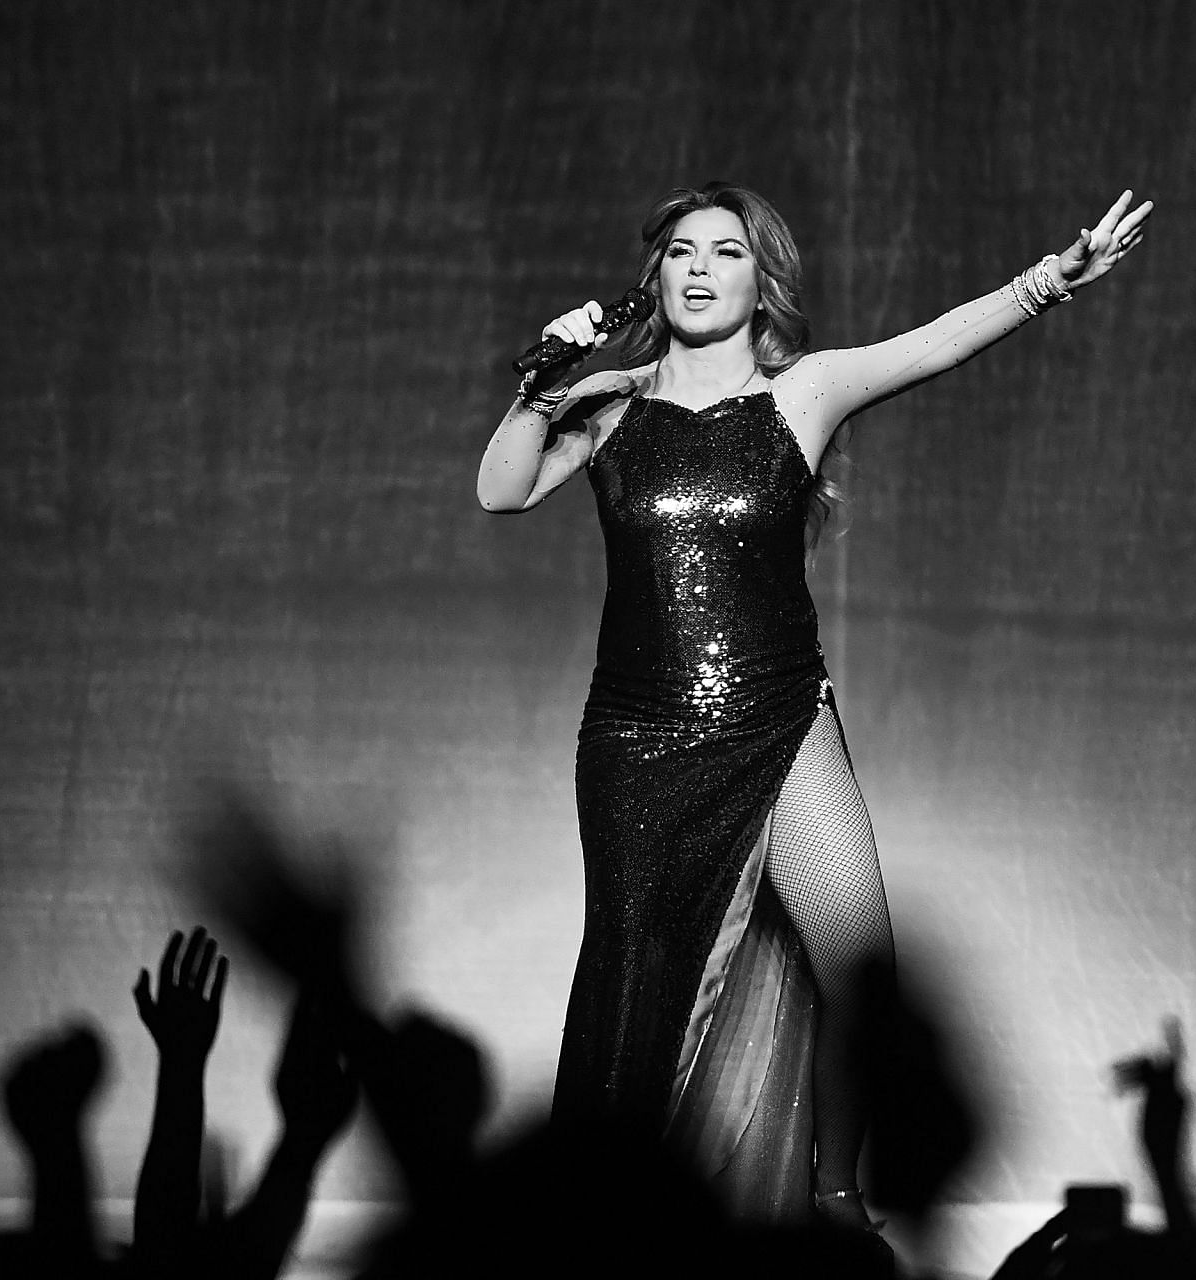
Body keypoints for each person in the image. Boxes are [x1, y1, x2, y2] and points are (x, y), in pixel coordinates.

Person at [477, 182, 1152, 1231]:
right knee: (628, 982)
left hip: (782, 720)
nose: (701, 269)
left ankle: (838, 1198)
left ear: (761, 280)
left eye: (727, 252)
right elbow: (500, 490)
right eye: (682, 253)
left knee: (857, 961)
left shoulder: (806, 394)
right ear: (654, 277)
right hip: (636, 741)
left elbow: (932, 344)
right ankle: (601, 1218)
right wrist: (540, 383)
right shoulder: (609, 400)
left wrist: (1047, 282)